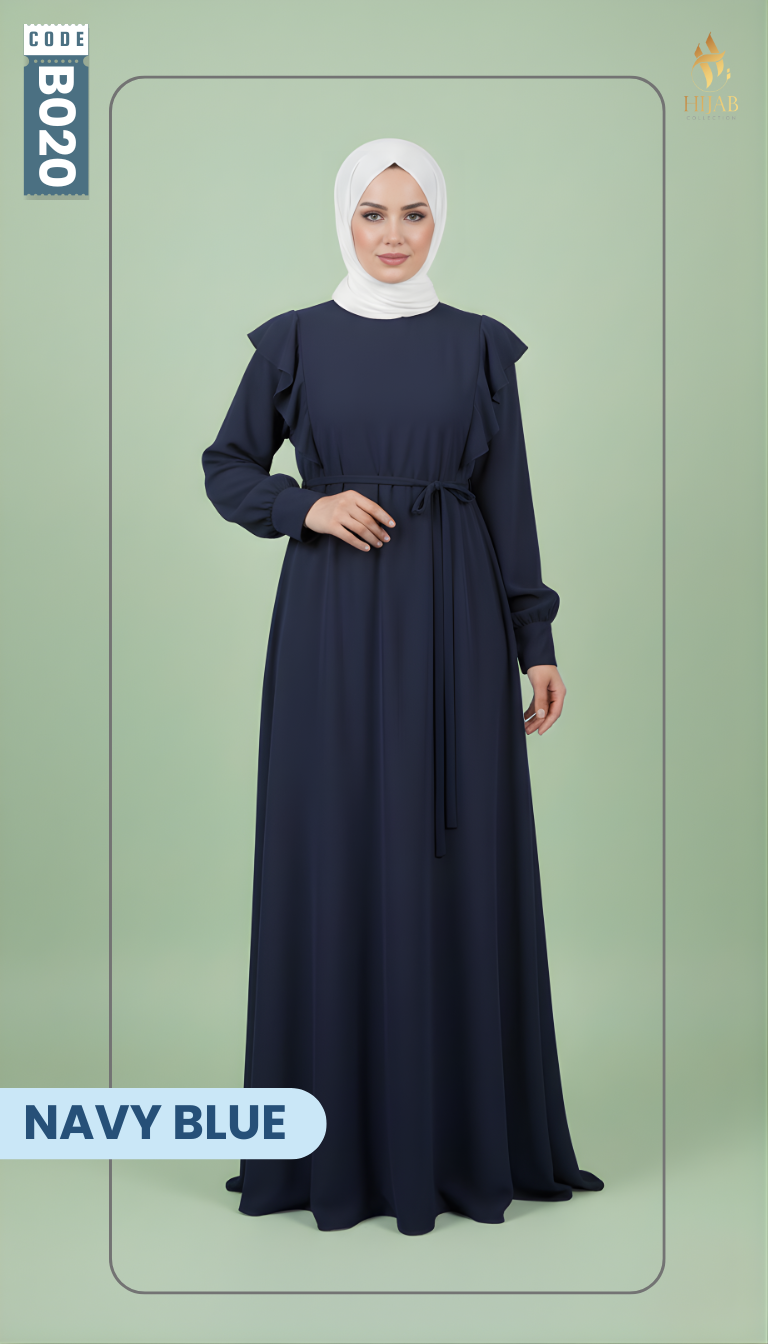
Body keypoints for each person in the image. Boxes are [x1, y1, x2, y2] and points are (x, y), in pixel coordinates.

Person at [201, 137, 603, 1236]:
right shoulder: (293, 340)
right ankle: (336, 1147)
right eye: (373, 213)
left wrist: (535, 639)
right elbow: (227, 465)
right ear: (344, 219)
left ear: (440, 223)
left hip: (457, 625)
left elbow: (509, 497)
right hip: (331, 627)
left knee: (455, 857)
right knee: (335, 850)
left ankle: (462, 1143)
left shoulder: (478, 347)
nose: (392, 234)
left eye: (414, 214)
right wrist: (306, 506)